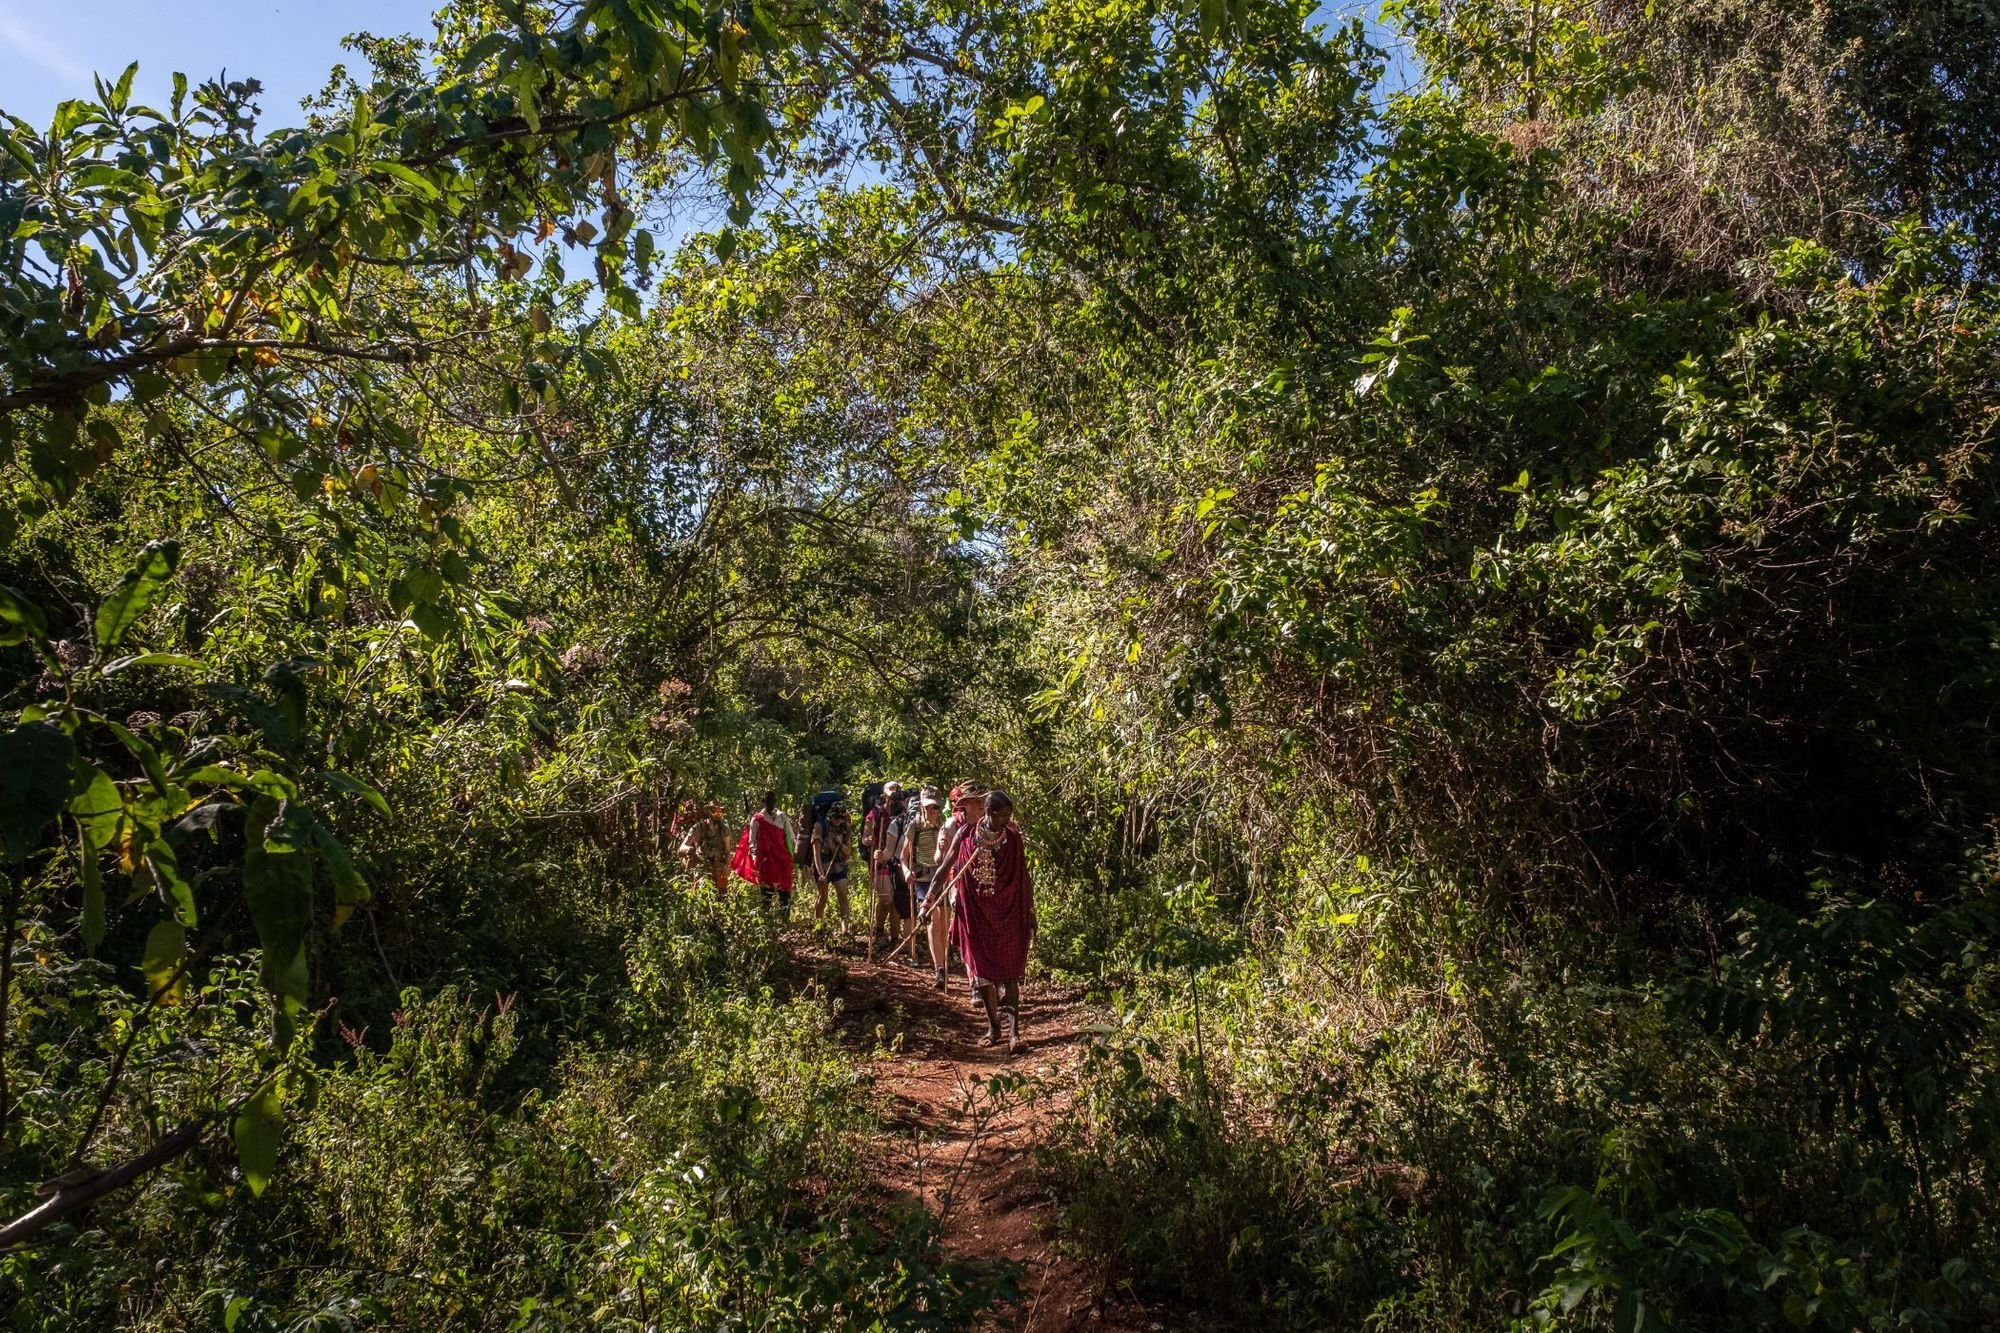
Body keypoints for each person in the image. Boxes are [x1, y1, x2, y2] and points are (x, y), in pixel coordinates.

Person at [948, 788, 1034, 1049]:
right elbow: (947, 866)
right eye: (1003, 814)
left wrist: (1030, 911)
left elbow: (1023, 877)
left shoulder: (1013, 839)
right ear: (990, 813)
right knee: (983, 974)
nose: (1007, 820)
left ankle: (1014, 1033)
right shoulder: (966, 836)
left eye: (1010, 814)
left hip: (1008, 912)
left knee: (1010, 973)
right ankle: (994, 1028)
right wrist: (929, 900)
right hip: (978, 915)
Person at [926, 782, 985, 992]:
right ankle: (974, 980)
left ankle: (985, 978)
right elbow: (940, 860)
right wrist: (941, 849)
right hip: (958, 884)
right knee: (968, 932)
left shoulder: (991, 824)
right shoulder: (951, 826)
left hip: (985, 886)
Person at [901, 789, 948, 982]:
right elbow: (903, 855)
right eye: (929, 806)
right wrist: (906, 872)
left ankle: (943, 963)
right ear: (922, 806)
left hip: (944, 876)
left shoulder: (945, 824)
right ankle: (939, 969)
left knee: (944, 922)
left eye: (936, 806)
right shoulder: (915, 825)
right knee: (932, 921)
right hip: (923, 880)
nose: (932, 810)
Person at [731, 791, 796, 918]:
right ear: (764, 802)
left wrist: (794, 854)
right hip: (765, 861)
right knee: (767, 894)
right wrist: (755, 859)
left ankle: (784, 920)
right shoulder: (757, 819)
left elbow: (791, 837)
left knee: (785, 892)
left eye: (772, 801)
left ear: (775, 802)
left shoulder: (782, 817)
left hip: (782, 860)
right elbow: (752, 841)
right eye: (768, 801)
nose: (770, 804)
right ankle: (766, 920)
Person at [813, 801, 856, 936]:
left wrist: (840, 843)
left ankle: (845, 929)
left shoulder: (845, 827)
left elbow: (848, 851)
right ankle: (818, 926)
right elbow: (816, 852)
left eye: (841, 817)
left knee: (843, 896)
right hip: (823, 865)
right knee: (823, 897)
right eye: (836, 817)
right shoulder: (820, 827)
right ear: (830, 816)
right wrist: (820, 873)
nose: (838, 820)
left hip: (838, 865)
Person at [678, 800, 732, 894]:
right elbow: (681, 848)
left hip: (719, 869)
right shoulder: (699, 827)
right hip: (702, 869)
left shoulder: (724, 829)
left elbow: (728, 851)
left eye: (720, 812)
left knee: (723, 897)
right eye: (715, 811)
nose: (717, 814)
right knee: (701, 896)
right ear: (709, 812)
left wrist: (727, 866)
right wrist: (690, 850)